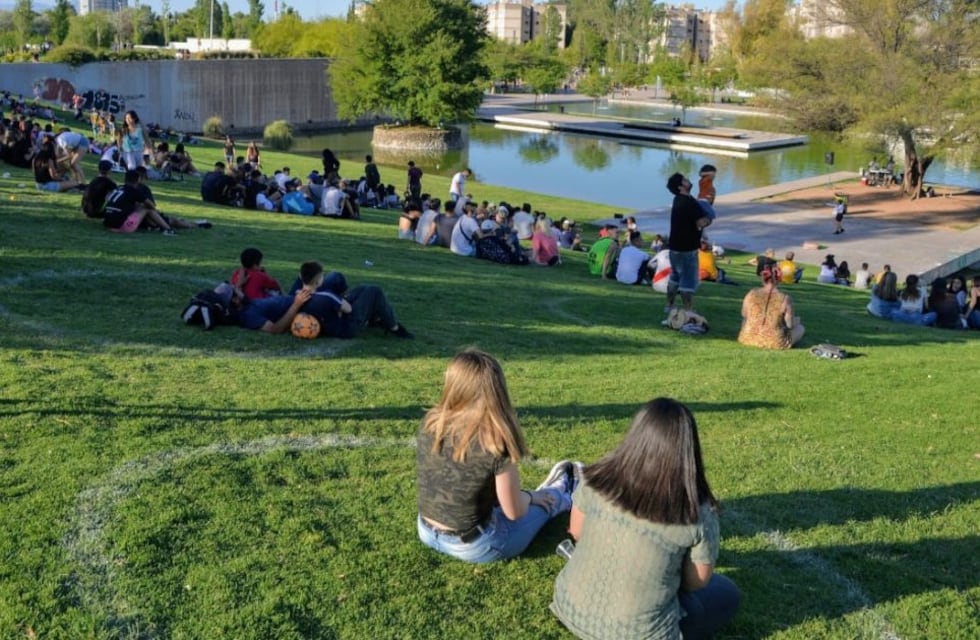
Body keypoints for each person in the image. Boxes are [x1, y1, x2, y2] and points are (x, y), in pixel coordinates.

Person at [551, 398, 740, 640]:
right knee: (726, 592)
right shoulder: (697, 511)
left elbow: (576, 532)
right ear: (687, 448)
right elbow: (696, 582)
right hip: (636, 633)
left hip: (569, 608)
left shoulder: (595, 478)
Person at [416, 349, 574, 563]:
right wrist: (531, 496)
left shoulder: (431, 421)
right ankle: (565, 492)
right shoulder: (494, 441)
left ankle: (548, 494)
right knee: (546, 503)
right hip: (475, 545)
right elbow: (515, 512)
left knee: (503, 502)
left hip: (425, 529)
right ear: (497, 391)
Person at [294, 261, 413, 339]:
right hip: (346, 328)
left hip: (330, 322)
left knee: (362, 289)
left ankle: (374, 319)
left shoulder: (297, 295)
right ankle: (394, 327)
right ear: (317, 281)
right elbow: (348, 309)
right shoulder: (326, 295)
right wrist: (341, 303)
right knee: (374, 291)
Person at [738, 264, 805, 349]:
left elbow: (744, 315)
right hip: (774, 342)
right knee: (800, 328)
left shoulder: (751, 293)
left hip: (747, 338)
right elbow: (789, 325)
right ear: (779, 279)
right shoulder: (785, 298)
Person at [664, 173, 705, 315]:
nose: (689, 181)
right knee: (688, 280)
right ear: (681, 186)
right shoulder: (688, 202)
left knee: (675, 277)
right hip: (687, 248)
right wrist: (709, 219)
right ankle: (688, 310)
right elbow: (700, 222)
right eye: (685, 180)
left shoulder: (678, 200)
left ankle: (669, 306)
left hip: (675, 247)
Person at [102, 169, 176, 235]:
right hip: (121, 227)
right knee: (147, 208)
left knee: (138, 206)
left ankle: (155, 226)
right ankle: (168, 229)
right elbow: (151, 205)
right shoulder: (134, 191)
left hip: (107, 223)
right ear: (137, 180)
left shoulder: (119, 188)